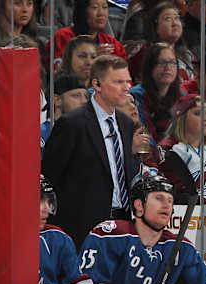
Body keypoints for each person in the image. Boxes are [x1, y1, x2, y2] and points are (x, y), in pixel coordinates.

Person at [78, 167, 206, 284]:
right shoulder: (110, 235)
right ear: (139, 205)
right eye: (159, 198)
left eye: (170, 200)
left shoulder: (179, 248)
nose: (166, 205)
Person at [43, 55, 146, 250]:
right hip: (82, 228)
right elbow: (50, 178)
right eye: (118, 82)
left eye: (127, 82)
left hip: (123, 223)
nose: (126, 88)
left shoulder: (125, 124)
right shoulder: (72, 124)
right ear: (97, 84)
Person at [39, 175, 111, 284]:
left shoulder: (58, 239)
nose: (47, 209)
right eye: (39, 201)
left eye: (48, 202)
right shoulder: (3, 241)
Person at [46, 0, 127, 74]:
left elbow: (126, 80)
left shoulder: (112, 43)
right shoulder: (63, 37)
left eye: (105, 7)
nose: (101, 13)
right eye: (95, 7)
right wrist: (93, 58)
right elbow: (57, 75)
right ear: (82, 11)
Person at [127, 1, 195, 83]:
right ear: (156, 27)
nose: (175, 23)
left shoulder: (187, 54)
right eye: (168, 19)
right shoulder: (143, 52)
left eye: (177, 18)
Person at [130, 42, 182, 145]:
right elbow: (144, 133)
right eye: (162, 62)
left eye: (172, 62)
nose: (168, 68)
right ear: (150, 67)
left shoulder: (183, 96)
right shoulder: (136, 95)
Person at [41, 74, 88, 158]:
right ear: (57, 100)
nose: (84, 101)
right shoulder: (42, 133)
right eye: (76, 96)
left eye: (86, 96)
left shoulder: (89, 132)